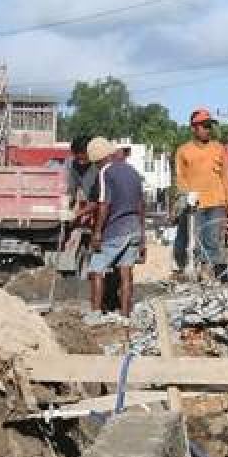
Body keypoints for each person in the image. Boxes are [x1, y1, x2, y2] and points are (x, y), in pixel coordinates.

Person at [85, 136, 145, 323]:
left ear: (99, 159)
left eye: (95, 163)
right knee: (126, 274)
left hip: (115, 230)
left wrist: (97, 233)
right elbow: (141, 205)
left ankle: (95, 314)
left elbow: (104, 205)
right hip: (134, 227)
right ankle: (125, 315)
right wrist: (142, 236)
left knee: (96, 270)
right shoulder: (132, 171)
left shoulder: (106, 172)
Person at [174, 108, 228, 281]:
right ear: (194, 128)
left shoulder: (218, 149)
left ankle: (217, 276)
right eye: (204, 126)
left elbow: (226, 175)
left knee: (213, 240)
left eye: (209, 126)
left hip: (217, 202)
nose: (208, 129)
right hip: (196, 206)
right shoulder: (183, 151)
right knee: (198, 241)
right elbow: (180, 179)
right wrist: (186, 197)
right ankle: (203, 275)